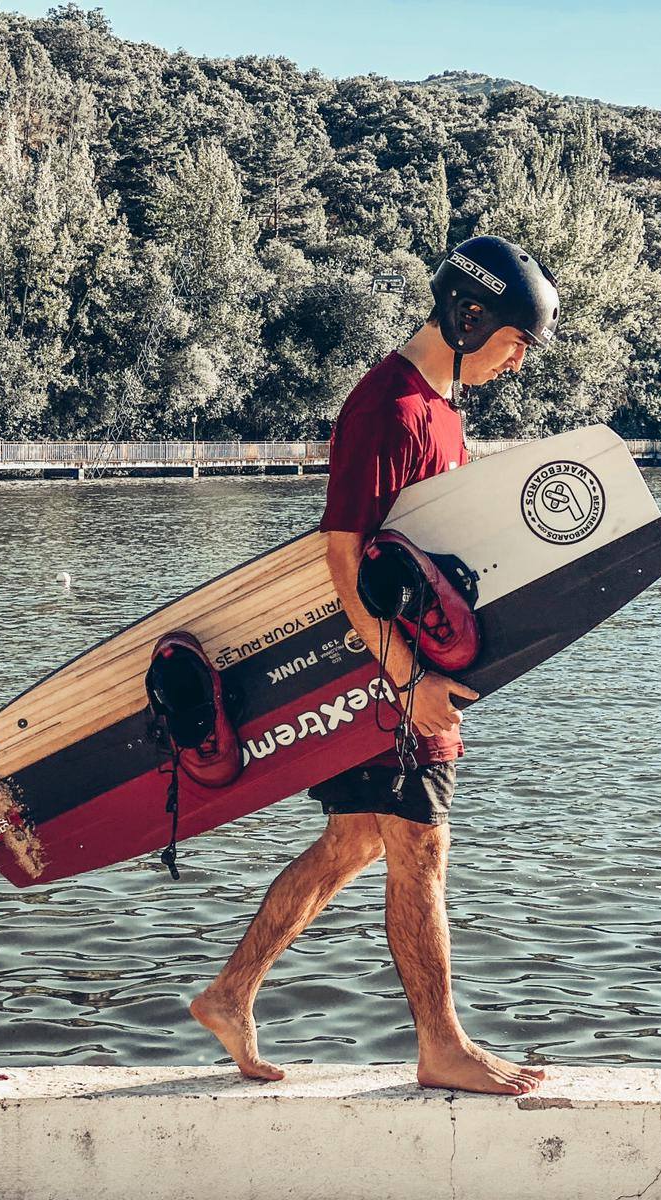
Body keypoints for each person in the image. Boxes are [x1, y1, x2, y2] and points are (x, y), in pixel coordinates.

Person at [191, 236, 560, 1096]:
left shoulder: (444, 407)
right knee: (421, 852)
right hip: (386, 679)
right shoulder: (386, 409)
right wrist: (407, 679)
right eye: (514, 341)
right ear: (470, 318)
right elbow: (342, 554)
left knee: (354, 841)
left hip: (400, 672)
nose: (516, 361)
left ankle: (230, 991)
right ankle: (442, 1045)